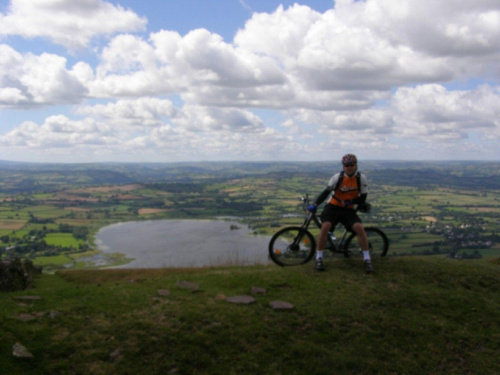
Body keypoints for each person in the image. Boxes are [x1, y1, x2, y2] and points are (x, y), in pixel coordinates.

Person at [307, 154, 373, 273]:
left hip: (348, 209)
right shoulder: (337, 178)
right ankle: (319, 258)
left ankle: (367, 259)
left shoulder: (361, 178)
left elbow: (363, 198)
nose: (349, 167)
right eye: (346, 165)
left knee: (359, 228)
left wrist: (351, 201)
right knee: (325, 227)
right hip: (333, 206)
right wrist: (315, 204)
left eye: (351, 165)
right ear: (343, 167)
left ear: (356, 165)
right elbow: (326, 192)